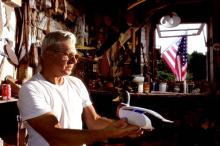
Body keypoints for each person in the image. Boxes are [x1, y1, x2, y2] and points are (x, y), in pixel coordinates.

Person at [17, 30, 143, 146]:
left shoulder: (76, 83)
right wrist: (107, 133)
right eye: (68, 55)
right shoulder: (31, 89)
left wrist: (124, 128)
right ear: (48, 54)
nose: (74, 61)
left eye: (76, 56)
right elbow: (55, 136)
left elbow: (94, 121)